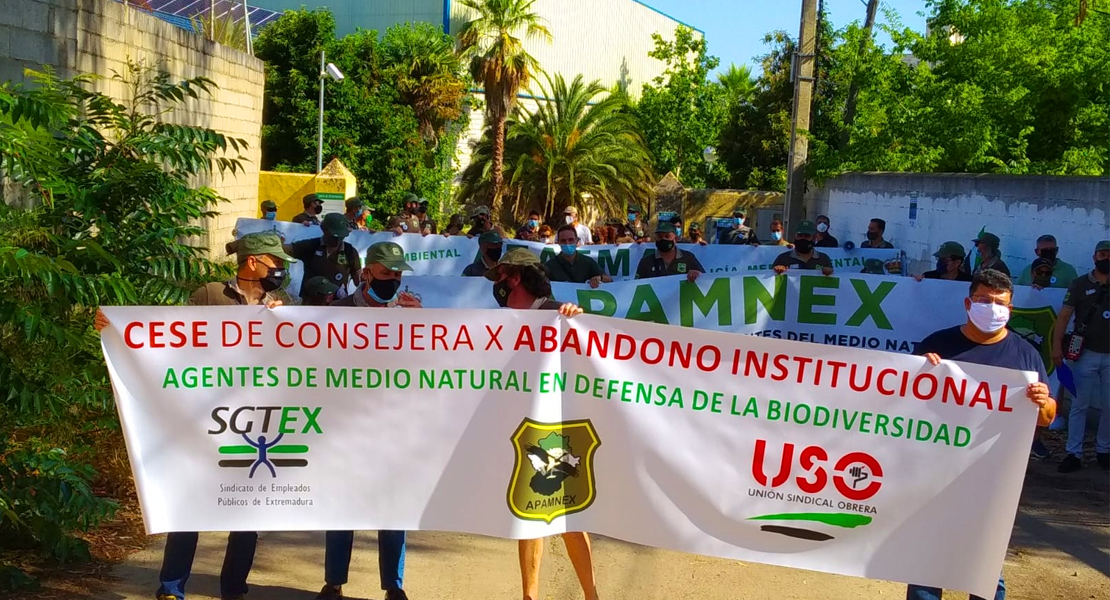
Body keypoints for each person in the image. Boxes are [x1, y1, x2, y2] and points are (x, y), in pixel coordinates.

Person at [95, 232, 292, 600]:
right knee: (191, 504)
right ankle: (171, 587)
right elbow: (169, 336)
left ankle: (234, 588)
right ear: (253, 262)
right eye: (276, 263)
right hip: (206, 418)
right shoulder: (210, 295)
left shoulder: (283, 303)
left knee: (248, 514)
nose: (280, 271)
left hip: (256, 419)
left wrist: (286, 319)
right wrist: (116, 328)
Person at [906, 269, 1056, 600]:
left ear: (1010, 309)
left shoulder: (1025, 355)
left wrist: (1044, 402)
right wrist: (920, 372)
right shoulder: (938, 346)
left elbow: (1046, 419)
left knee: (985, 567)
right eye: (983, 300)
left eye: (999, 303)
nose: (991, 308)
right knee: (925, 561)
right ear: (967, 303)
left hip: (992, 478)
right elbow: (903, 401)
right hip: (935, 472)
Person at [483, 249, 599, 600]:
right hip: (520, 430)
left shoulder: (559, 315)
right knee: (529, 514)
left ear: (516, 278)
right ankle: (529, 595)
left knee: (567, 520)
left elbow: (594, 349)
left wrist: (577, 317)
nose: (498, 286)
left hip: (561, 432)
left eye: (501, 278)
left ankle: (592, 595)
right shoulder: (501, 321)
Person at [320, 242, 418, 600]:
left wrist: (420, 324)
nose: (392, 280)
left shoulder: (413, 313)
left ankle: (394, 585)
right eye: (384, 273)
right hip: (346, 427)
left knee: (393, 511)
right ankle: (334, 583)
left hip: (395, 427)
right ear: (366, 273)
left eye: (397, 274)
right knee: (341, 509)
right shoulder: (340, 310)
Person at [1052, 240, 1110, 473]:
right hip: (1084, 353)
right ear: (1095, 257)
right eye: (1103, 254)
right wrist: (1056, 348)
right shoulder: (1080, 284)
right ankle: (1073, 452)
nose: (1107, 258)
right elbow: (1063, 317)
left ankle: (1103, 450)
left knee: (1109, 406)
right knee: (1079, 405)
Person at [286, 212, 361, 300]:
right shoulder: (311, 246)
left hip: (337, 304)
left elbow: (359, 281)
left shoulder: (350, 251)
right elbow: (283, 250)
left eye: (341, 236)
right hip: (310, 304)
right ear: (324, 229)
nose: (337, 240)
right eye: (333, 236)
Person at [543, 225, 611, 288]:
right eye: (563, 241)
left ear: (577, 241)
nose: (567, 243)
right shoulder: (549, 266)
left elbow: (609, 280)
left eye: (571, 240)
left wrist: (599, 278)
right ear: (558, 243)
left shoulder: (587, 262)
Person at [634, 222, 703, 281]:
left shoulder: (688, 258)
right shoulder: (646, 262)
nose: (663, 239)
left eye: (667, 236)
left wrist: (697, 274)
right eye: (659, 236)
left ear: (675, 239)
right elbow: (636, 286)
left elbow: (706, 280)